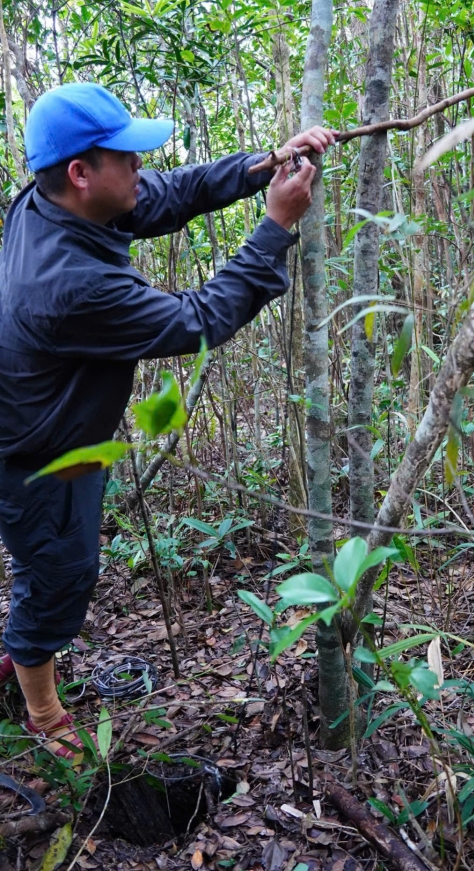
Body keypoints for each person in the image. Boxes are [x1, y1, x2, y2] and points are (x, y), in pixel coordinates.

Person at [0, 81, 337, 762]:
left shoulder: (53, 204)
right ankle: (40, 706)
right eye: (127, 157)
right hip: (38, 452)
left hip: (52, 426)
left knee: (53, 567)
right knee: (61, 574)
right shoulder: (70, 283)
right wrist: (274, 229)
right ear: (81, 172)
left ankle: (21, 656)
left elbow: (169, 194)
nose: (140, 169)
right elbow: (199, 320)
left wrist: (265, 163)